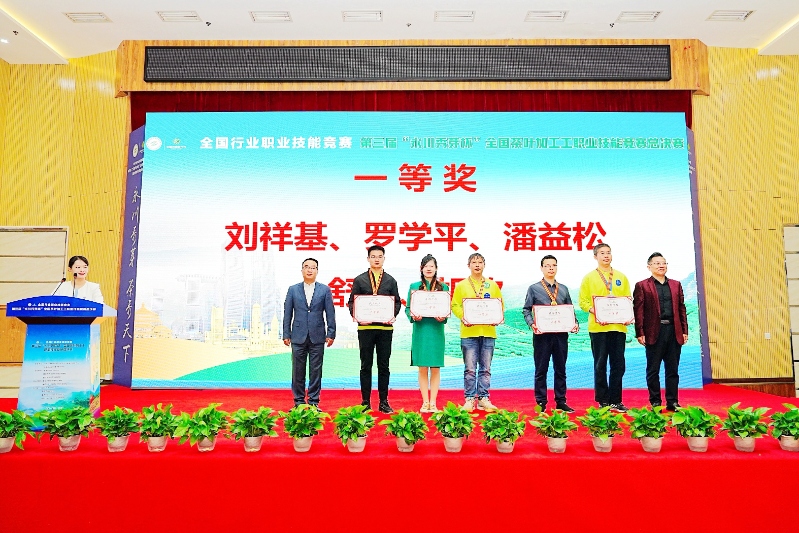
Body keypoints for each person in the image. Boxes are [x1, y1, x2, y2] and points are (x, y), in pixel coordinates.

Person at [347, 245, 401, 414]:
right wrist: (359, 317)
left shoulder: (390, 280)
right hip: (365, 329)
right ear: (368, 259)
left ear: (384, 258)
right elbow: (352, 302)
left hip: (385, 329)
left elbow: (397, 302)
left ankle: (384, 402)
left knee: (384, 366)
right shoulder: (360, 280)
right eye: (373, 256)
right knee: (366, 365)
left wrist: (391, 315)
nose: (376, 259)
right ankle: (365, 402)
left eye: (379, 256)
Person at [578, 243, 632, 412]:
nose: (606, 255)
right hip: (598, 328)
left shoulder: (621, 277)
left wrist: (627, 316)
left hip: (618, 327)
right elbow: (583, 302)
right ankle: (603, 400)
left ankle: (616, 400)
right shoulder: (589, 278)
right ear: (595, 256)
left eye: (608, 252)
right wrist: (596, 311)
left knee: (618, 365)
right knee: (600, 364)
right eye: (602, 253)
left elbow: (627, 300)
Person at [522, 255, 579, 413]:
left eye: (554, 265)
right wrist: (532, 324)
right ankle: (541, 402)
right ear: (541, 268)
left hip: (561, 335)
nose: (551, 268)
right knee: (541, 370)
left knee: (560, 369)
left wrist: (574, 323)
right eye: (547, 265)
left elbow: (569, 309)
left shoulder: (564, 289)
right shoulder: (534, 288)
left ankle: (561, 401)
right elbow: (526, 309)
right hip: (542, 335)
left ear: (557, 267)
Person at [633, 252, 689, 411]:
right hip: (653, 333)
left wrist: (684, 330)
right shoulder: (642, 285)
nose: (661, 265)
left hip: (673, 331)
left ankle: (673, 402)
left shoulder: (676, 284)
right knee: (653, 370)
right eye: (657, 263)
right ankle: (655, 402)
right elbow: (639, 311)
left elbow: (681, 308)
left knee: (673, 370)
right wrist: (640, 332)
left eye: (663, 263)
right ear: (649, 267)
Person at [451, 253, 503, 413]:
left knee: (485, 368)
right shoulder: (461, 285)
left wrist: (497, 317)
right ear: (469, 265)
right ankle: (469, 399)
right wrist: (464, 316)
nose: (477, 265)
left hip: (488, 332)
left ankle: (483, 399)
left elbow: (500, 305)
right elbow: (455, 305)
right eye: (474, 262)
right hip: (469, 332)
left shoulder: (492, 285)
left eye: (480, 262)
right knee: (470, 369)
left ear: (484, 265)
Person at [282, 258, 336, 408]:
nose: (309, 270)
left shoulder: (324, 290)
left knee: (316, 371)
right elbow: (287, 313)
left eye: (313, 267)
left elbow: (330, 313)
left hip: (317, 336)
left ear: (317, 271)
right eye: (306, 267)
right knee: (297, 371)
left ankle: (313, 402)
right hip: (297, 336)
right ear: (302, 270)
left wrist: (331, 333)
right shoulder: (293, 289)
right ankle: (299, 402)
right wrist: (286, 334)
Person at [406, 254, 449, 413]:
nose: (429, 269)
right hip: (421, 330)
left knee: (435, 368)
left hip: (436, 331)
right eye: (426, 266)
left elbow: (447, 309)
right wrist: (413, 315)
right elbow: (408, 308)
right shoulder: (414, 286)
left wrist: (443, 317)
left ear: (436, 268)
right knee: (422, 368)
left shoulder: (443, 287)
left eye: (432, 266)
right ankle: (425, 402)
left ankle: (433, 402)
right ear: (421, 268)